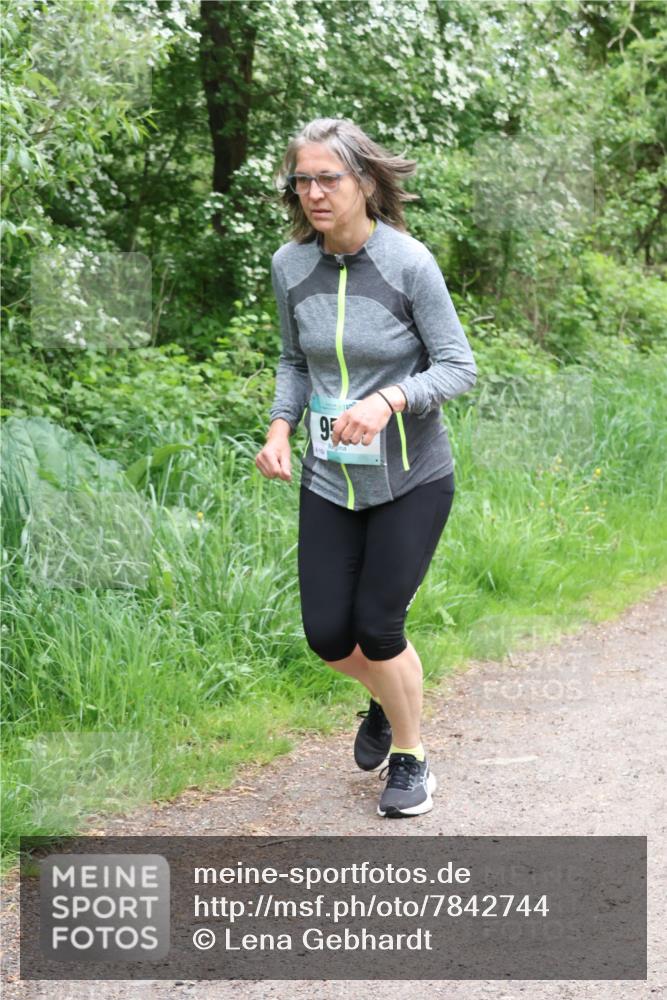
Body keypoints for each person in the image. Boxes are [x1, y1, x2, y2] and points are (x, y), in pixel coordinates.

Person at [255, 117, 477, 818]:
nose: (314, 193)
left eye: (328, 178)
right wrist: (280, 427)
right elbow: (294, 361)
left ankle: (411, 759)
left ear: (364, 181)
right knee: (327, 635)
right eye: (303, 180)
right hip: (330, 478)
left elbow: (458, 366)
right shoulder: (290, 266)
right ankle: (386, 693)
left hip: (412, 477)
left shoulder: (408, 263)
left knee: (379, 627)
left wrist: (389, 399)